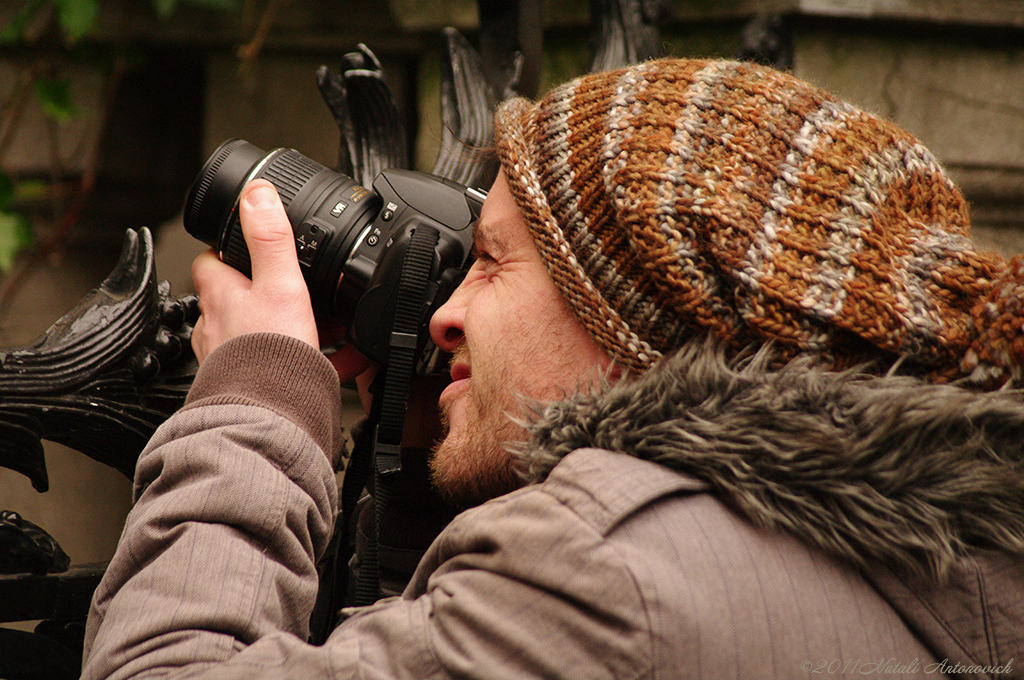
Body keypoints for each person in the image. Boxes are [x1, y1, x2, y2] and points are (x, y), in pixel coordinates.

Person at [82, 58, 1023, 679]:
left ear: (630, 311)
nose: (446, 313)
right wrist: (423, 468)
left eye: (489, 261)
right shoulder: (932, 534)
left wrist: (258, 398)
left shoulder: (609, 574)